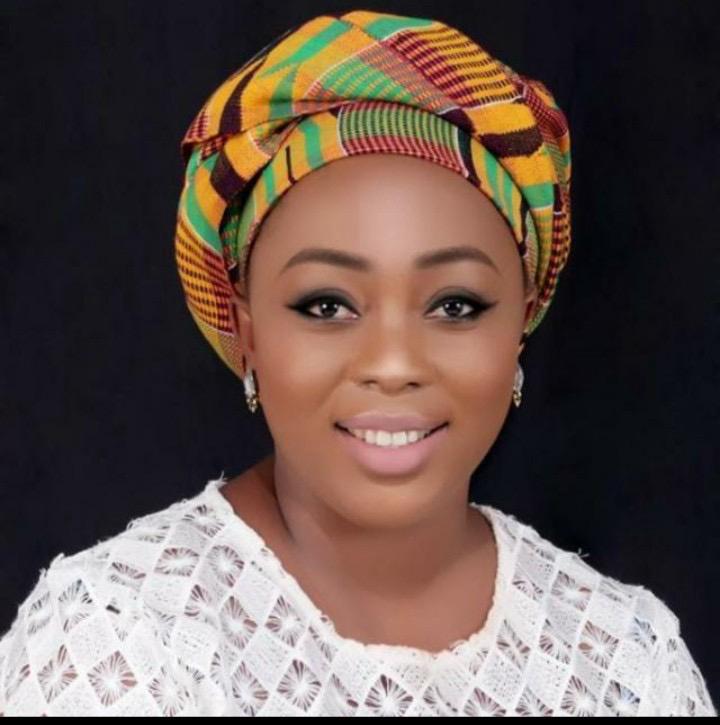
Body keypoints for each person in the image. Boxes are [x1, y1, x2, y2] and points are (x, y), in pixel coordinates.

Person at [0, 9, 715, 717]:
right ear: (247, 330)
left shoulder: (627, 660)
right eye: (326, 305)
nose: (393, 364)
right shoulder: (117, 643)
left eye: (456, 305)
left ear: (520, 325)